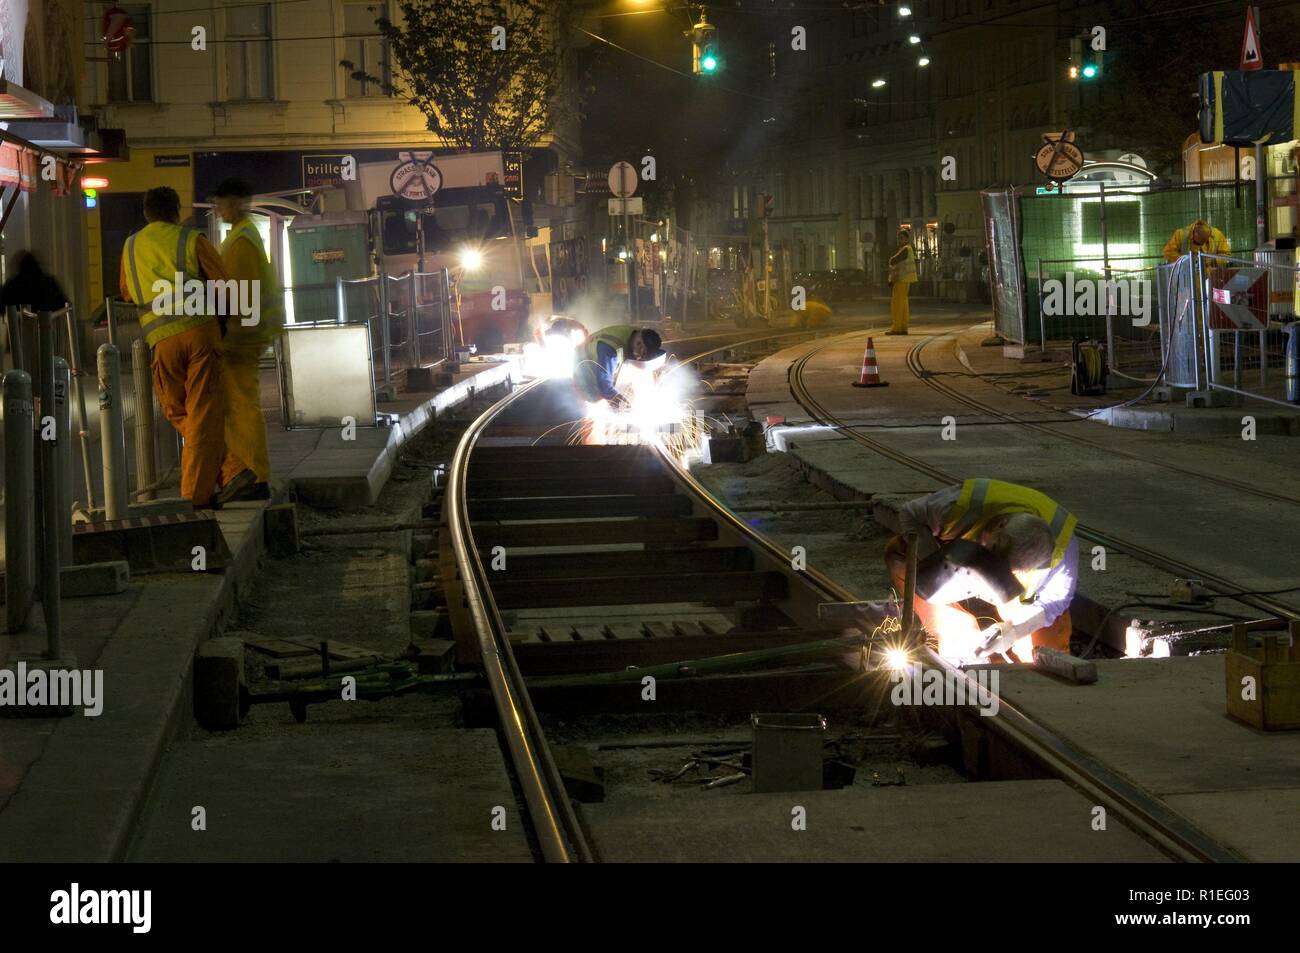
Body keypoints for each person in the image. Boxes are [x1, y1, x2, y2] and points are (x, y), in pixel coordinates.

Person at [884, 478, 1078, 663]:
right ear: (1001, 525)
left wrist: (1014, 630)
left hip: (1012, 597)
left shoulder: (1062, 554)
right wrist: (934, 561)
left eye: (1010, 571)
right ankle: (959, 638)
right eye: (995, 553)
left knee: (1045, 655)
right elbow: (909, 514)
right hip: (959, 563)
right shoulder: (960, 505)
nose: (996, 570)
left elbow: (1054, 603)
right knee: (900, 552)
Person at [120, 186, 230, 510]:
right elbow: (224, 283)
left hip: (162, 341)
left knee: (177, 410)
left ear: (146, 213)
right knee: (201, 414)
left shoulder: (130, 247)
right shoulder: (192, 240)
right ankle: (218, 478)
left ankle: (201, 489)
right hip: (200, 334)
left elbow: (126, 292)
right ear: (175, 211)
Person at [211, 178, 284, 503]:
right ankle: (247, 473)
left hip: (240, 339)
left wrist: (230, 336)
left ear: (239, 202)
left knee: (240, 407)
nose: (217, 208)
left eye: (221, 201)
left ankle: (254, 475)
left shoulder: (240, 242)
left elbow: (239, 295)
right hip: (247, 336)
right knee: (241, 405)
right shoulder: (243, 237)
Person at [573, 325, 663, 407]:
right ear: (639, 344)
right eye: (642, 355)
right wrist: (622, 406)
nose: (640, 359)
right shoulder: (611, 350)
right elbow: (605, 388)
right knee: (591, 401)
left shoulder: (637, 334)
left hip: (596, 365)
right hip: (581, 369)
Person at [886, 229, 917, 335]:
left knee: (897, 304)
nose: (899, 240)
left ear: (907, 239)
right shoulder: (908, 249)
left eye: (901, 238)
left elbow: (893, 260)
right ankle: (903, 327)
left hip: (901, 279)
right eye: (898, 238)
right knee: (903, 304)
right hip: (905, 280)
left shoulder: (905, 249)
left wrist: (890, 260)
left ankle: (897, 328)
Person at [1162, 219, 1230, 264]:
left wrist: (1213, 260)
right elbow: (1168, 253)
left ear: (1209, 236)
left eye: (1204, 243)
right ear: (1194, 233)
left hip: (1210, 280)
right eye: (1197, 243)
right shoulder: (1180, 235)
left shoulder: (1217, 235)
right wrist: (1187, 261)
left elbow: (1226, 256)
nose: (1200, 246)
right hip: (1187, 279)